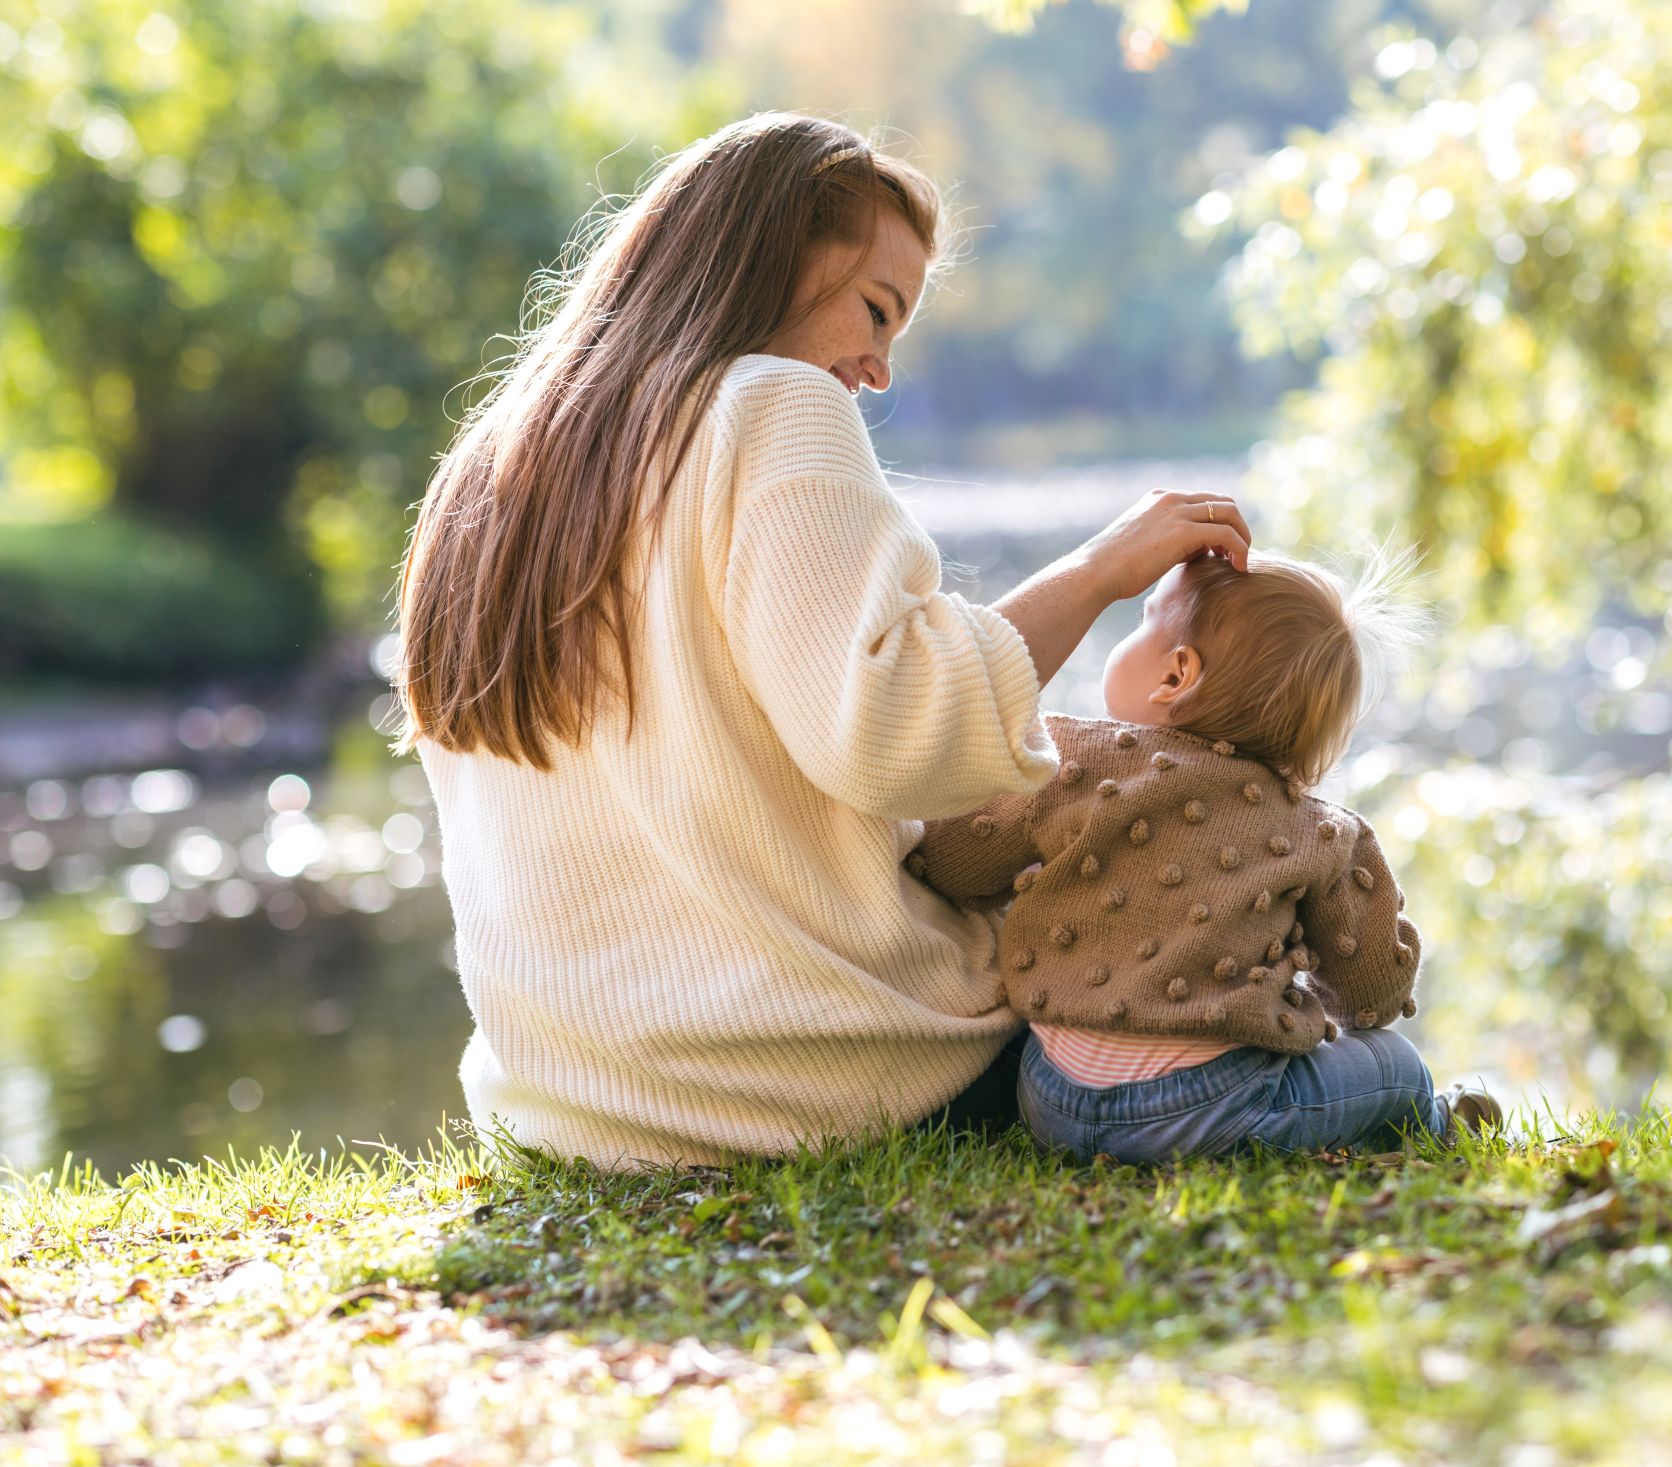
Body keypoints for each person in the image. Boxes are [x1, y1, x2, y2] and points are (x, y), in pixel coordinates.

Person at [391, 112, 1252, 1167]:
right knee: (1255, 1043)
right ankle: (1399, 1089)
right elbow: (896, 738)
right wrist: (1100, 572)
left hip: (564, 1106)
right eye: (876, 311)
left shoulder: (492, 466)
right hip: (808, 1075)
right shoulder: (770, 404)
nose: (879, 370)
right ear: (780, 251)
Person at [909, 551, 1502, 1163]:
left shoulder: (1067, 761)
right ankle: (1437, 1123)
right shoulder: (1321, 831)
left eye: (1143, 620)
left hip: (1051, 1101)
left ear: (1175, 675)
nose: (1131, 631)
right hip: (1210, 1113)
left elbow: (952, 862)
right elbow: (1371, 994)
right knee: (1396, 1065)